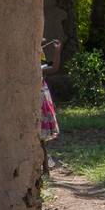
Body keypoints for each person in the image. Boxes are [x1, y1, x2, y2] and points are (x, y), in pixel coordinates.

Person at [40, 38, 62, 172]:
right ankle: (46, 168)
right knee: (39, 140)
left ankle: (46, 168)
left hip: (41, 105)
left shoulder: (40, 69)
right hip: (38, 104)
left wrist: (57, 51)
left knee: (41, 139)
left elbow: (54, 67)